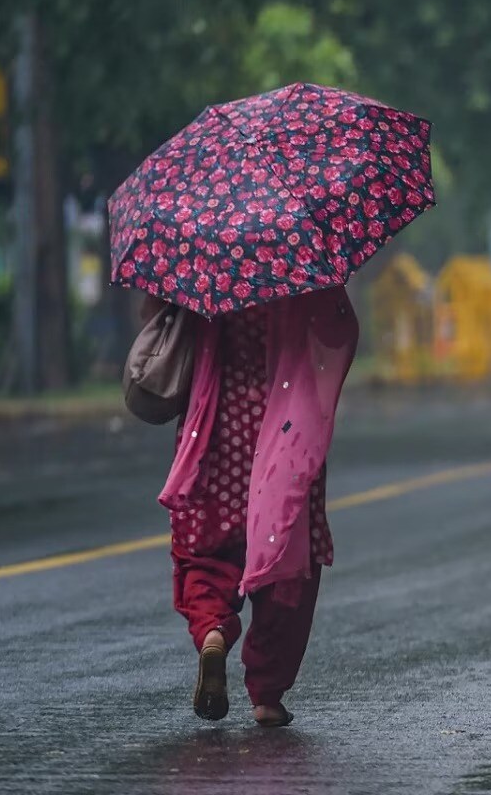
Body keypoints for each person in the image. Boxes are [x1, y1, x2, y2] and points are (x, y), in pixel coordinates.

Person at [147, 285, 358, 725]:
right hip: (284, 432)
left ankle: (212, 632)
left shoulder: (204, 261)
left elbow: (157, 321)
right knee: (285, 557)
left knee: (205, 550)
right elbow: (339, 331)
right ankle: (266, 693)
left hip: (216, 430)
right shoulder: (301, 268)